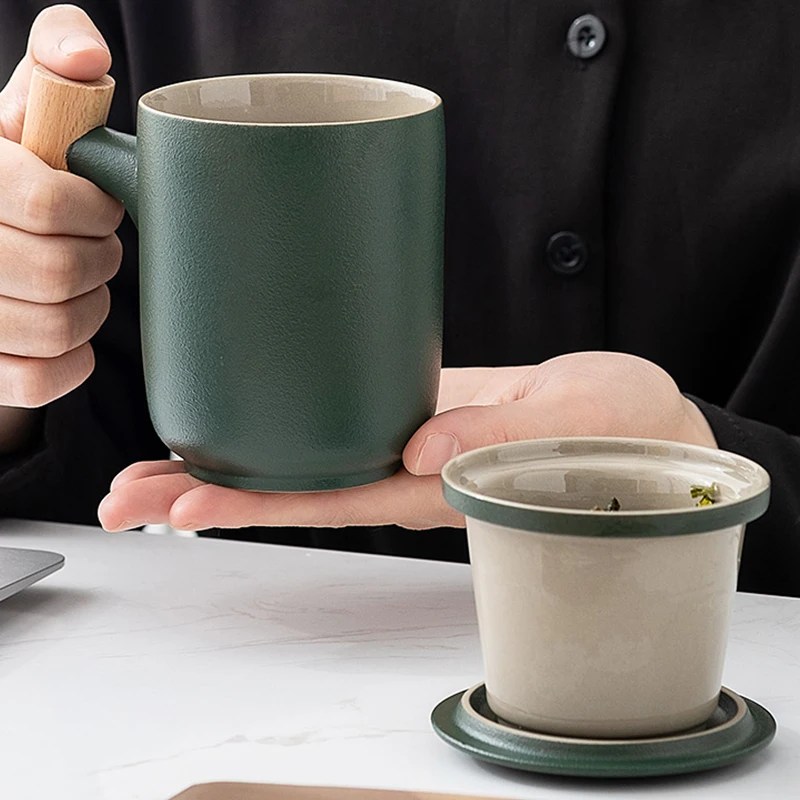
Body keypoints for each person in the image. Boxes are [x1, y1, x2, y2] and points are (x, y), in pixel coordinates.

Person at [0, 3, 798, 596]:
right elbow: (75, 428)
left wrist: (715, 472)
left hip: (749, 641)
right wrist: (14, 369)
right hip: (251, 656)